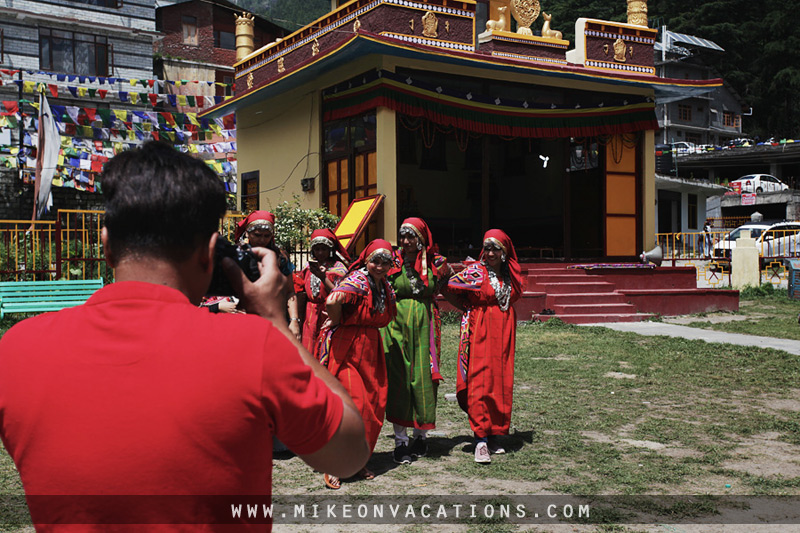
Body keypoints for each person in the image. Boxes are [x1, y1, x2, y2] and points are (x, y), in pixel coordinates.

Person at [0, 141, 369, 529]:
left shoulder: (16, 352)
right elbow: (348, 455)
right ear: (210, 252)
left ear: (106, 246)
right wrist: (277, 325)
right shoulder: (253, 346)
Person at [317, 239, 397, 489]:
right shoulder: (358, 280)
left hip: (371, 347)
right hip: (350, 346)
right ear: (366, 260)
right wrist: (337, 320)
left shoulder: (384, 286)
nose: (380, 266)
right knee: (354, 405)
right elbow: (332, 301)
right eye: (375, 261)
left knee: (373, 404)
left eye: (385, 262)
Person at [447, 229, 523, 464]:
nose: (489, 253)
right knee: (479, 380)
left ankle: (493, 433)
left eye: (495, 249)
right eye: (486, 248)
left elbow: (514, 296)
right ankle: (480, 439)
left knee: (499, 380)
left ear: (504, 252)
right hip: (479, 328)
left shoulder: (511, 275)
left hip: (503, 331)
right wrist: (468, 308)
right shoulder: (476, 272)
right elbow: (449, 287)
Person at [380, 217, 452, 464]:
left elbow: (446, 285)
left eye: (411, 236)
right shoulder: (391, 260)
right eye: (402, 236)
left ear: (422, 239)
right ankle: (400, 441)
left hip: (426, 325)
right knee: (398, 377)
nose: (406, 241)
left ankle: (420, 436)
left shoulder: (437, 263)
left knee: (424, 378)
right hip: (395, 323)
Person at [234, 210, 302, 340]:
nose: (262, 240)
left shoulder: (280, 259)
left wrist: (294, 321)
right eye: (257, 235)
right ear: (247, 233)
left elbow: (289, 292)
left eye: (266, 236)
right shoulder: (237, 256)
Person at [295, 229, 350, 357]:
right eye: (317, 249)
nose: (320, 253)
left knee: (325, 348)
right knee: (308, 350)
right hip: (309, 315)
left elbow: (340, 293)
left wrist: (323, 277)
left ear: (330, 249)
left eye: (324, 249)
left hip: (328, 313)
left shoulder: (339, 269)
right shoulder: (308, 267)